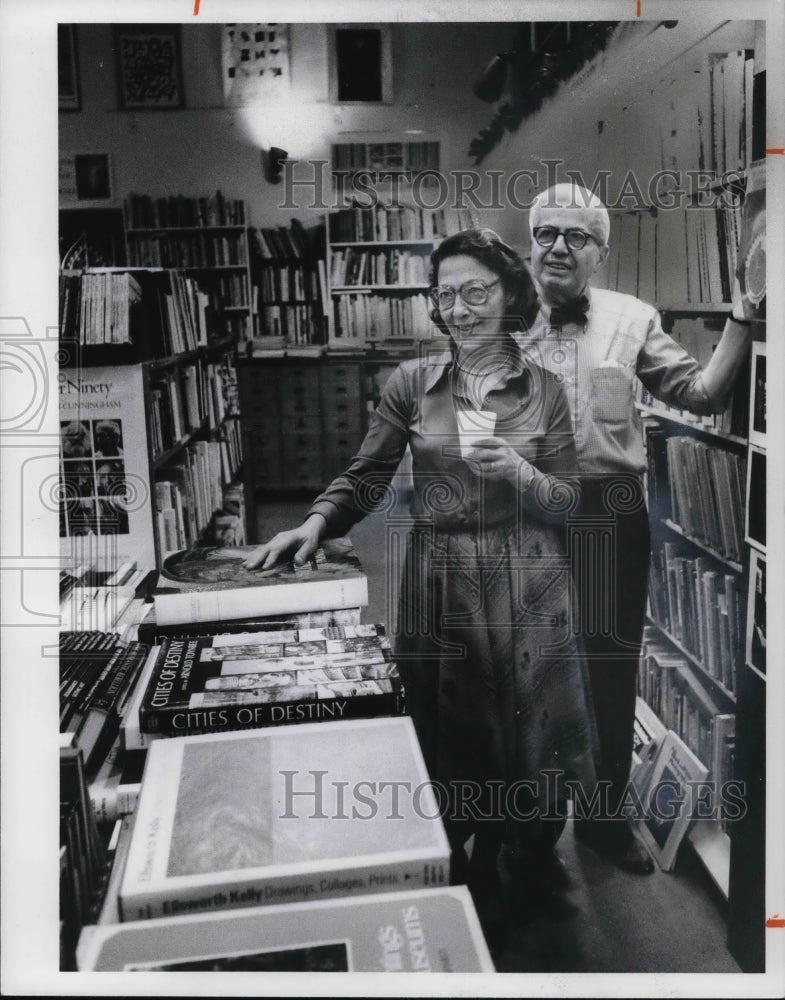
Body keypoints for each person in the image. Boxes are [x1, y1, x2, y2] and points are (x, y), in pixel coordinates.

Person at [245, 228, 598, 899]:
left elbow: (566, 501)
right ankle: (453, 849)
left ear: (509, 295)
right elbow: (365, 474)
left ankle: (523, 849)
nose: (460, 309)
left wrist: (521, 472)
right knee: (447, 720)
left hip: (529, 576)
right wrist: (315, 523)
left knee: (529, 729)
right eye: (446, 296)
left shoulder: (545, 389)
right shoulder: (412, 381)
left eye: (476, 292)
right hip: (443, 577)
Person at [519, 182, 759, 875]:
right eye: (546, 234)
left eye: (576, 236)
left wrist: (743, 319)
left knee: (606, 665)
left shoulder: (630, 318)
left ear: (599, 250)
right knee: (524, 670)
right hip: (520, 510)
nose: (558, 246)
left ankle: (602, 822)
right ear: (530, 243)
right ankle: (527, 830)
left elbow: (697, 393)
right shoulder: (495, 314)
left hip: (606, 509)